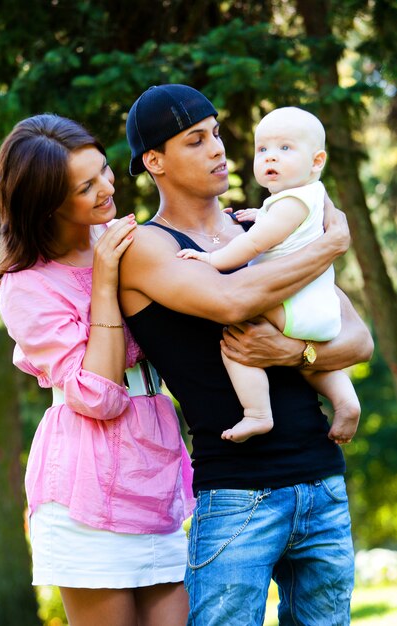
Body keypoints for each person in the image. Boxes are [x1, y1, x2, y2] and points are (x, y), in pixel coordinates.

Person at [120, 84, 374, 625]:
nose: (218, 149)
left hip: (322, 483)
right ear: (154, 160)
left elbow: (358, 340)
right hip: (237, 496)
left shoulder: (257, 228)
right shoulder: (149, 247)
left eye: (216, 133)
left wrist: (294, 352)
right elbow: (233, 301)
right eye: (196, 140)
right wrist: (327, 246)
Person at [0, 113, 195, 626]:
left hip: (154, 471)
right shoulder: (27, 286)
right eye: (86, 186)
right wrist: (102, 282)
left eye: (103, 170)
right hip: (87, 490)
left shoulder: (124, 237)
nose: (107, 187)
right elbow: (99, 396)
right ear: (49, 204)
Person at [176, 106, 360, 443]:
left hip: (292, 307)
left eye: (285, 149)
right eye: (263, 150)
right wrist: (261, 212)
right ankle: (346, 400)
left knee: (237, 333)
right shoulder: (310, 197)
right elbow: (285, 224)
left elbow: (256, 242)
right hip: (317, 312)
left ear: (316, 161)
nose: (270, 158)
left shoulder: (289, 204)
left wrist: (213, 259)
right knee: (313, 364)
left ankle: (257, 413)